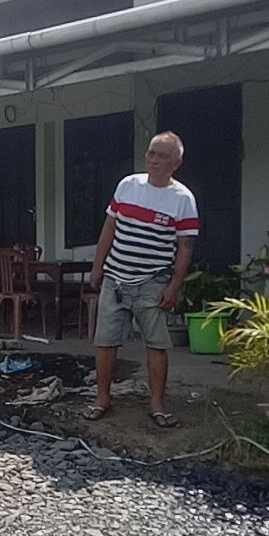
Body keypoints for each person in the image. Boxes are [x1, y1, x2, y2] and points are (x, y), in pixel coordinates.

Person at [86, 131, 198, 429]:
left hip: (153, 281)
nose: (154, 160)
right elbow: (109, 228)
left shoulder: (183, 199)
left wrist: (175, 285)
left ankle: (157, 405)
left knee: (157, 345)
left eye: (162, 156)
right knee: (106, 342)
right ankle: (102, 399)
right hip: (116, 278)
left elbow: (185, 247)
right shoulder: (128, 186)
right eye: (151, 153)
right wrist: (98, 267)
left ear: (177, 163)